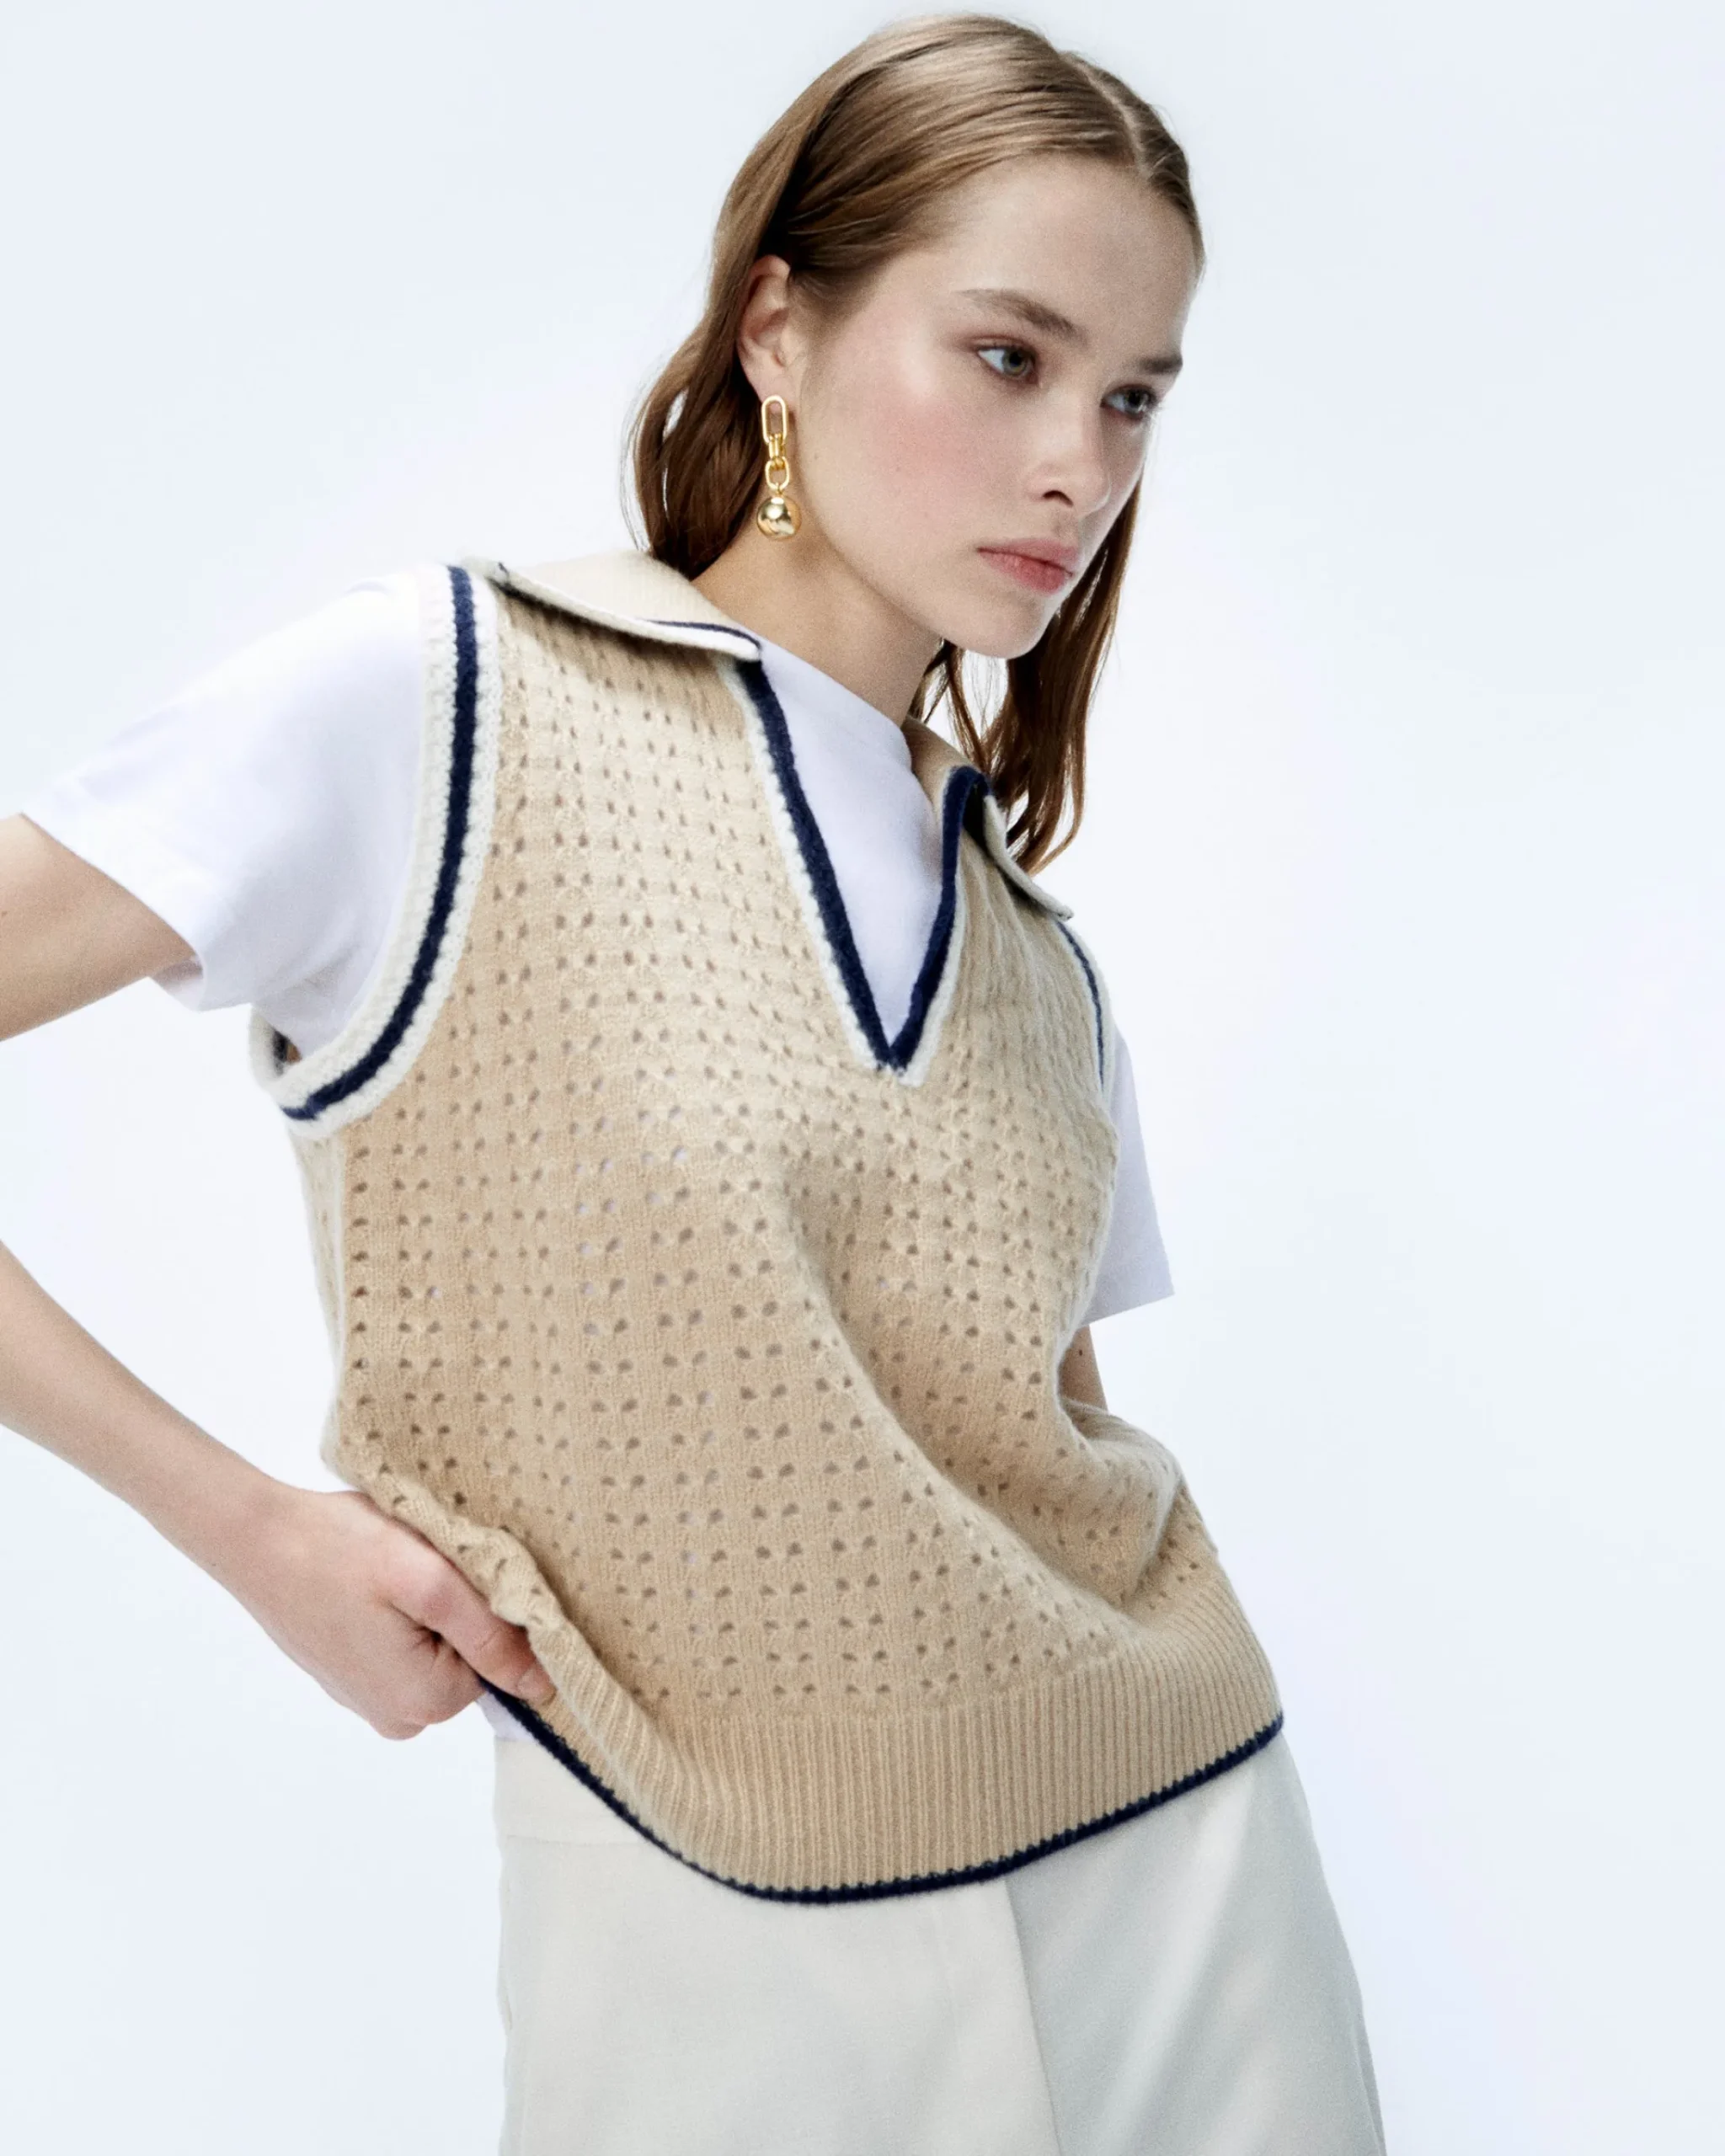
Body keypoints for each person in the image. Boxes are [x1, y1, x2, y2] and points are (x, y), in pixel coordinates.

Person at [0, 14, 1386, 2153]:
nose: (1077, 465)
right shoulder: (445, 704)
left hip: (1185, 1860)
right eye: (1007, 355)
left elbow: (1037, 1436)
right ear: (778, 329)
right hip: (707, 1907)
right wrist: (251, 1531)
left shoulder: (1029, 950)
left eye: (1131, 396)